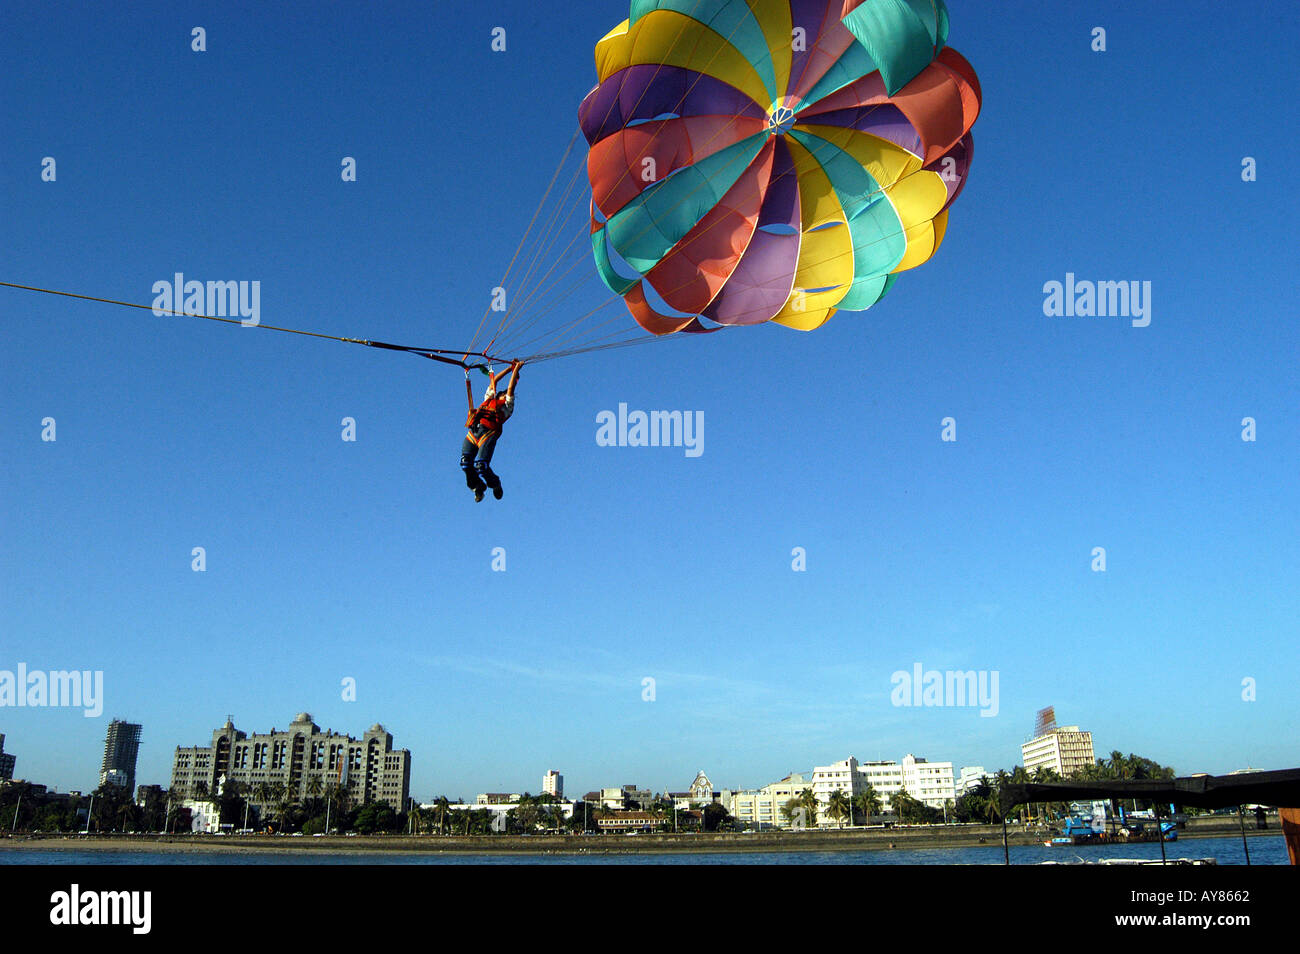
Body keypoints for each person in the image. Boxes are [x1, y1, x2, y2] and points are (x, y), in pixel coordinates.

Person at [460, 359, 521, 501]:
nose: (507, 396)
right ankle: (477, 487)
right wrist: (509, 368)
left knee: (481, 465)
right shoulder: (489, 398)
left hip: (488, 434)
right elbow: (494, 381)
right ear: (500, 394)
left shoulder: (507, 406)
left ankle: (495, 484)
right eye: (504, 394)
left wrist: (516, 370)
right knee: (465, 463)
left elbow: (511, 389)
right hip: (474, 433)